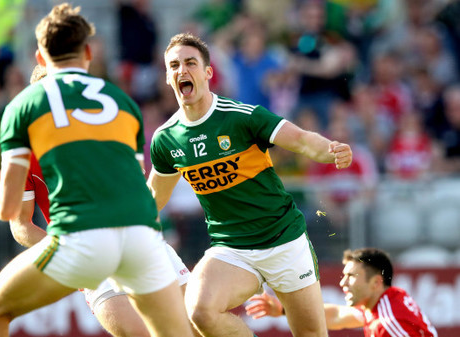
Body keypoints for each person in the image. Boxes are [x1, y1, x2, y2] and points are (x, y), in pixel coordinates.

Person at [0, 4, 194, 337]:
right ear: (88, 53)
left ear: (40, 58)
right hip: (143, 238)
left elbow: (8, 212)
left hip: (85, 239)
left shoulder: (25, 107)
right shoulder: (123, 102)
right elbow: (136, 188)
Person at [147, 32, 353, 337]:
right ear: (167, 77)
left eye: (191, 63)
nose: (182, 70)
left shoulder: (241, 116)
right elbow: (152, 199)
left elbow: (300, 140)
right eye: (174, 65)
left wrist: (330, 149)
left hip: (284, 240)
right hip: (232, 249)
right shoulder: (166, 139)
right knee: (200, 312)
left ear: (207, 72)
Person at [246, 248, 438, 337]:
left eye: (351, 276)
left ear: (376, 282)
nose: (343, 282)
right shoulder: (385, 300)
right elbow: (336, 316)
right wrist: (285, 310)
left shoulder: (387, 324)